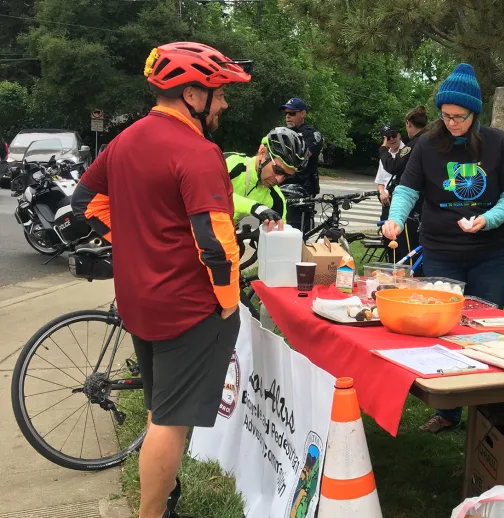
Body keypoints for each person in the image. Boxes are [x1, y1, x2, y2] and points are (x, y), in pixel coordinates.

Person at [71, 41, 252, 518]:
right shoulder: (198, 151)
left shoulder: (124, 140)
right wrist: (230, 303)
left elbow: (83, 201)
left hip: (138, 302)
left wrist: (136, 237)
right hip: (188, 309)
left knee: (159, 408)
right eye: (219, 92)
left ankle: (162, 499)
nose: (225, 104)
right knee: (169, 422)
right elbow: (215, 242)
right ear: (193, 94)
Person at [382, 64, 504, 433]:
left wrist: (488, 219)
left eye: (459, 117)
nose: (452, 123)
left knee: (486, 330)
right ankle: (449, 411)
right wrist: (396, 218)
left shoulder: (499, 142)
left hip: (490, 252)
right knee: (443, 329)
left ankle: (486, 410)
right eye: (445, 116)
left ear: (475, 114)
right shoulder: (428, 143)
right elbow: (408, 189)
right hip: (441, 251)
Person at [224, 126, 307, 228]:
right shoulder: (229, 163)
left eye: (286, 176)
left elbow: (280, 234)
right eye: (278, 170)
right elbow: (208, 194)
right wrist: (256, 208)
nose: (279, 179)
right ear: (262, 152)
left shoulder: (276, 198)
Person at [379, 106, 429, 265]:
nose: (391, 139)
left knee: (408, 249)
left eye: (394, 135)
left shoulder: (415, 144)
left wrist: (382, 149)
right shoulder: (430, 139)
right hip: (425, 201)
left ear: (408, 123)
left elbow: (394, 167)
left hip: (413, 203)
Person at [280, 97, 323, 231]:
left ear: (302, 114)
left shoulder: (312, 134)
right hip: (281, 184)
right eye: (286, 113)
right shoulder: (281, 133)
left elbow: (301, 156)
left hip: (303, 187)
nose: (288, 116)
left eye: (292, 113)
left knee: (297, 227)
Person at [374, 123, 404, 220]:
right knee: (386, 231)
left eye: (394, 135)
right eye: (388, 137)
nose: (392, 139)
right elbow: (380, 182)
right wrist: (382, 193)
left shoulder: (407, 152)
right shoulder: (384, 157)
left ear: (399, 135)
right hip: (387, 201)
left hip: (402, 201)